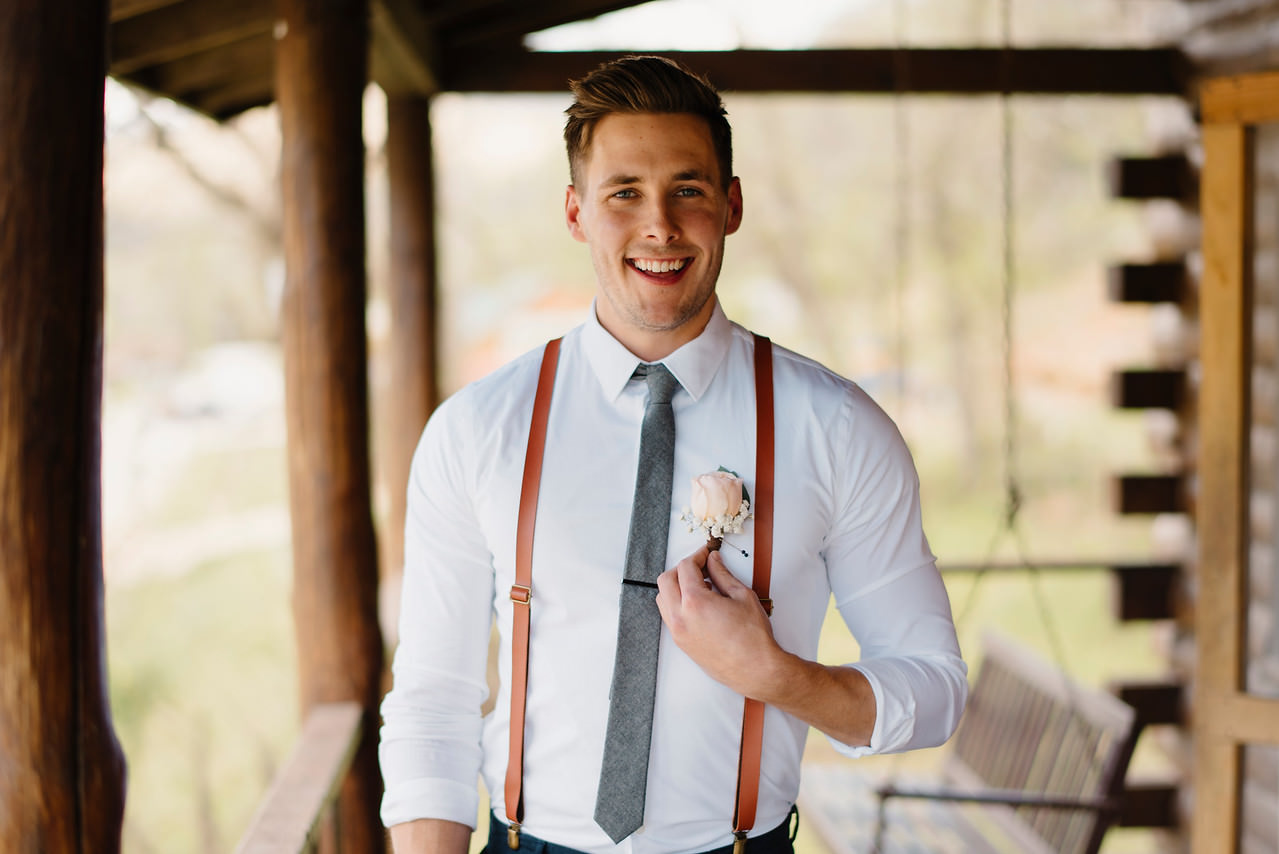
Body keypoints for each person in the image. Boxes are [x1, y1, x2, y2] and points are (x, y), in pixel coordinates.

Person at [379, 54, 967, 854]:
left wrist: (778, 677)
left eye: (687, 189)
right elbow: (431, 700)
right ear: (576, 212)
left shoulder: (835, 428)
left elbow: (932, 692)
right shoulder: (479, 428)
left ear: (729, 205)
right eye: (624, 193)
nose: (658, 224)